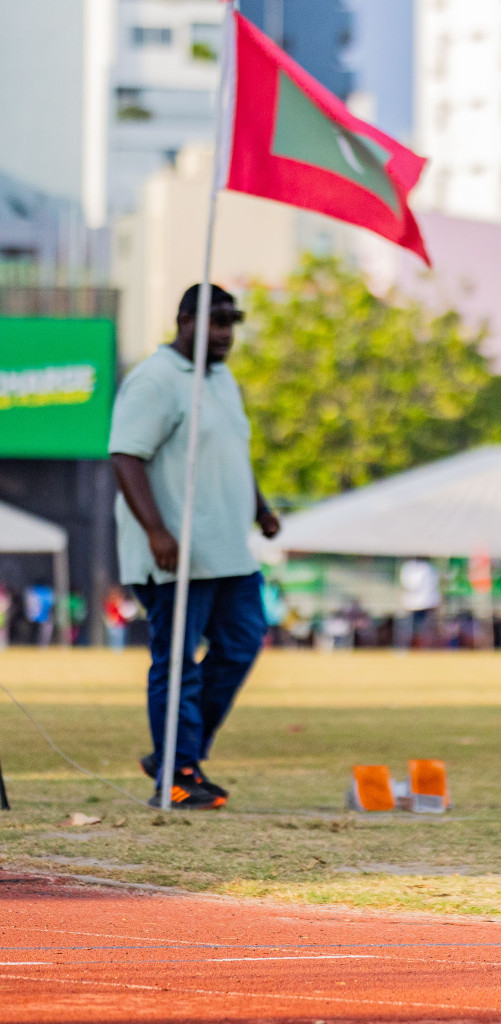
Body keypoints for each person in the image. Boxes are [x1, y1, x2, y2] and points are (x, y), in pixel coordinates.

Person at [110, 283, 280, 810]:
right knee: (176, 663)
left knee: (242, 643)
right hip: (176, 555)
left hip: (228, 550)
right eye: (215, 321)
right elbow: (125, 456)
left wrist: (260, 506)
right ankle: (176, 774)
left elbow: (231, 454)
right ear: (184, 320)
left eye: (231, 323)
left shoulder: (223, 379)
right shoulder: (155, 379)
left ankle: (176, 755)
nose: (225, 333)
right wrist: (156, 531)